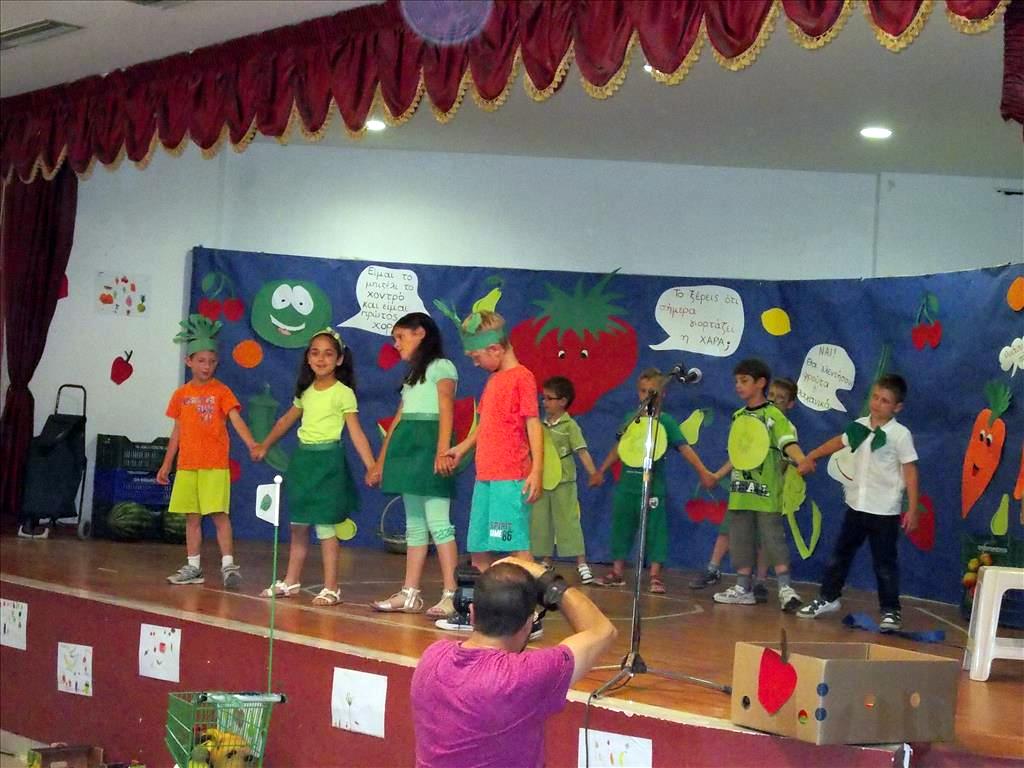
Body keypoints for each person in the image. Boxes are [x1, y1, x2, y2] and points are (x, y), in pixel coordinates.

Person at [410, 556, 617, 768]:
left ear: (471, 613)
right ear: (528, 625)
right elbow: (602, 630)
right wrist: (544, 577)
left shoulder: (432, 657)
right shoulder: (524, 675)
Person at [252, 328, 375, 606]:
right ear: (308, 358)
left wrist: (371, 465)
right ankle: (291, 580)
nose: (321, 359)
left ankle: (332, 587)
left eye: (328, 354)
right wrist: (265, 445)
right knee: (298, 524)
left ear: (339, 360)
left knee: (326, 527)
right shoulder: (305, 392)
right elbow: (285, 420)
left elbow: (356, 432)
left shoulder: (343, 393)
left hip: (328, 463)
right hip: (303, 462)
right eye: (315, 353)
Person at [438, 310, 543, 631]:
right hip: (485, 479)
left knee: (512, 546)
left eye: (476, 357)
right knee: (479, 546)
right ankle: (481, 615)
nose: (475, 363)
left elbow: (533, 424)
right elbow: (483, 425)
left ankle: (530, 616)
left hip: (508, 481)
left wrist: (537, 470)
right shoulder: (494, 380)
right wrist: (462, 447)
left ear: (495, 349)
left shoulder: (522, 377)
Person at [796, 374, 918, 632]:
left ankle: (891, 610)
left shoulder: (900, 435)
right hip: (856, 507)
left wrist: (913, 508)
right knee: (840, 556)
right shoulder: (859, 426)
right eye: (875, 397)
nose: (877, 404)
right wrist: (812, 455)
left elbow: (910, 470)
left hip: (884, 511)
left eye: (885, 401)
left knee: (884, 563)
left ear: (897, 407)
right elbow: (837, 442)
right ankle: (829, 597)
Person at [368, 312, 460, 618]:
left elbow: (446, 406)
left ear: (420, 333)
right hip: (407, 448)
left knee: (439, 523)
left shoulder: (442, 366)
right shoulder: (412, 376)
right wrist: (381, 460)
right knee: (415, 526)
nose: (396, 344)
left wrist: (442, 450)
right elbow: (398, 418)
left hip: (430, 444)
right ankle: (409, 593)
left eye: (400, 337)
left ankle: (452, 594)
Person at [591, 368, 713, 594]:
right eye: (642, 391)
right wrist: (601, 471)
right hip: (627, 486)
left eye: (651, 392)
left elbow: (684, 448)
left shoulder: (665, 422)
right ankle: (617, 572)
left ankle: (655, 575)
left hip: (653, 487)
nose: (646, 395)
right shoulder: (631, 419)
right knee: (621, 528)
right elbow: (618, 448)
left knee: (656, 531)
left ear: (662, 394)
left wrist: (703, 472)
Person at [159, 314, 258, 588]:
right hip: (187, 465)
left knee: (218, 515)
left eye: (212, 361)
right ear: (189, 361)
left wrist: (251, 443)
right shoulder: (180, 395)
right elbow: (177, 431)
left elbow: (235, 419)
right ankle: (193, 567)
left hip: (214, 465)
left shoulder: (222, 392)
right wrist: (167, 464)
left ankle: (228, 565)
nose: (207, 366)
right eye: (201, 361)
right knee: (192, 518)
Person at [699, 359, 806, 610]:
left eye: (744, 381)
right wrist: (717, 475)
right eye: (736, 381)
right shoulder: (738, 416)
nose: (738, 385)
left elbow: (787, 441)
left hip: (765, 493)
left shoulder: (773, 415)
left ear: (760, 383)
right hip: (740, 492)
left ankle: (785, 589)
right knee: (740, 540)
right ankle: (742, 588)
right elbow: (739, 453)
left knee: (772, 539)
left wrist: (801, 459)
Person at [530, 376, 601, 584]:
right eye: (543, 398)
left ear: (563, 401)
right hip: (542, 481)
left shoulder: (570, 426)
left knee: (568, 521)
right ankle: (546, 560)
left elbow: (582, 451)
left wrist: (593, 472)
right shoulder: (538, 425)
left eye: (549, 398)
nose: (544, 402)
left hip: (564, 482)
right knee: (541, 521)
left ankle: (581, 563)